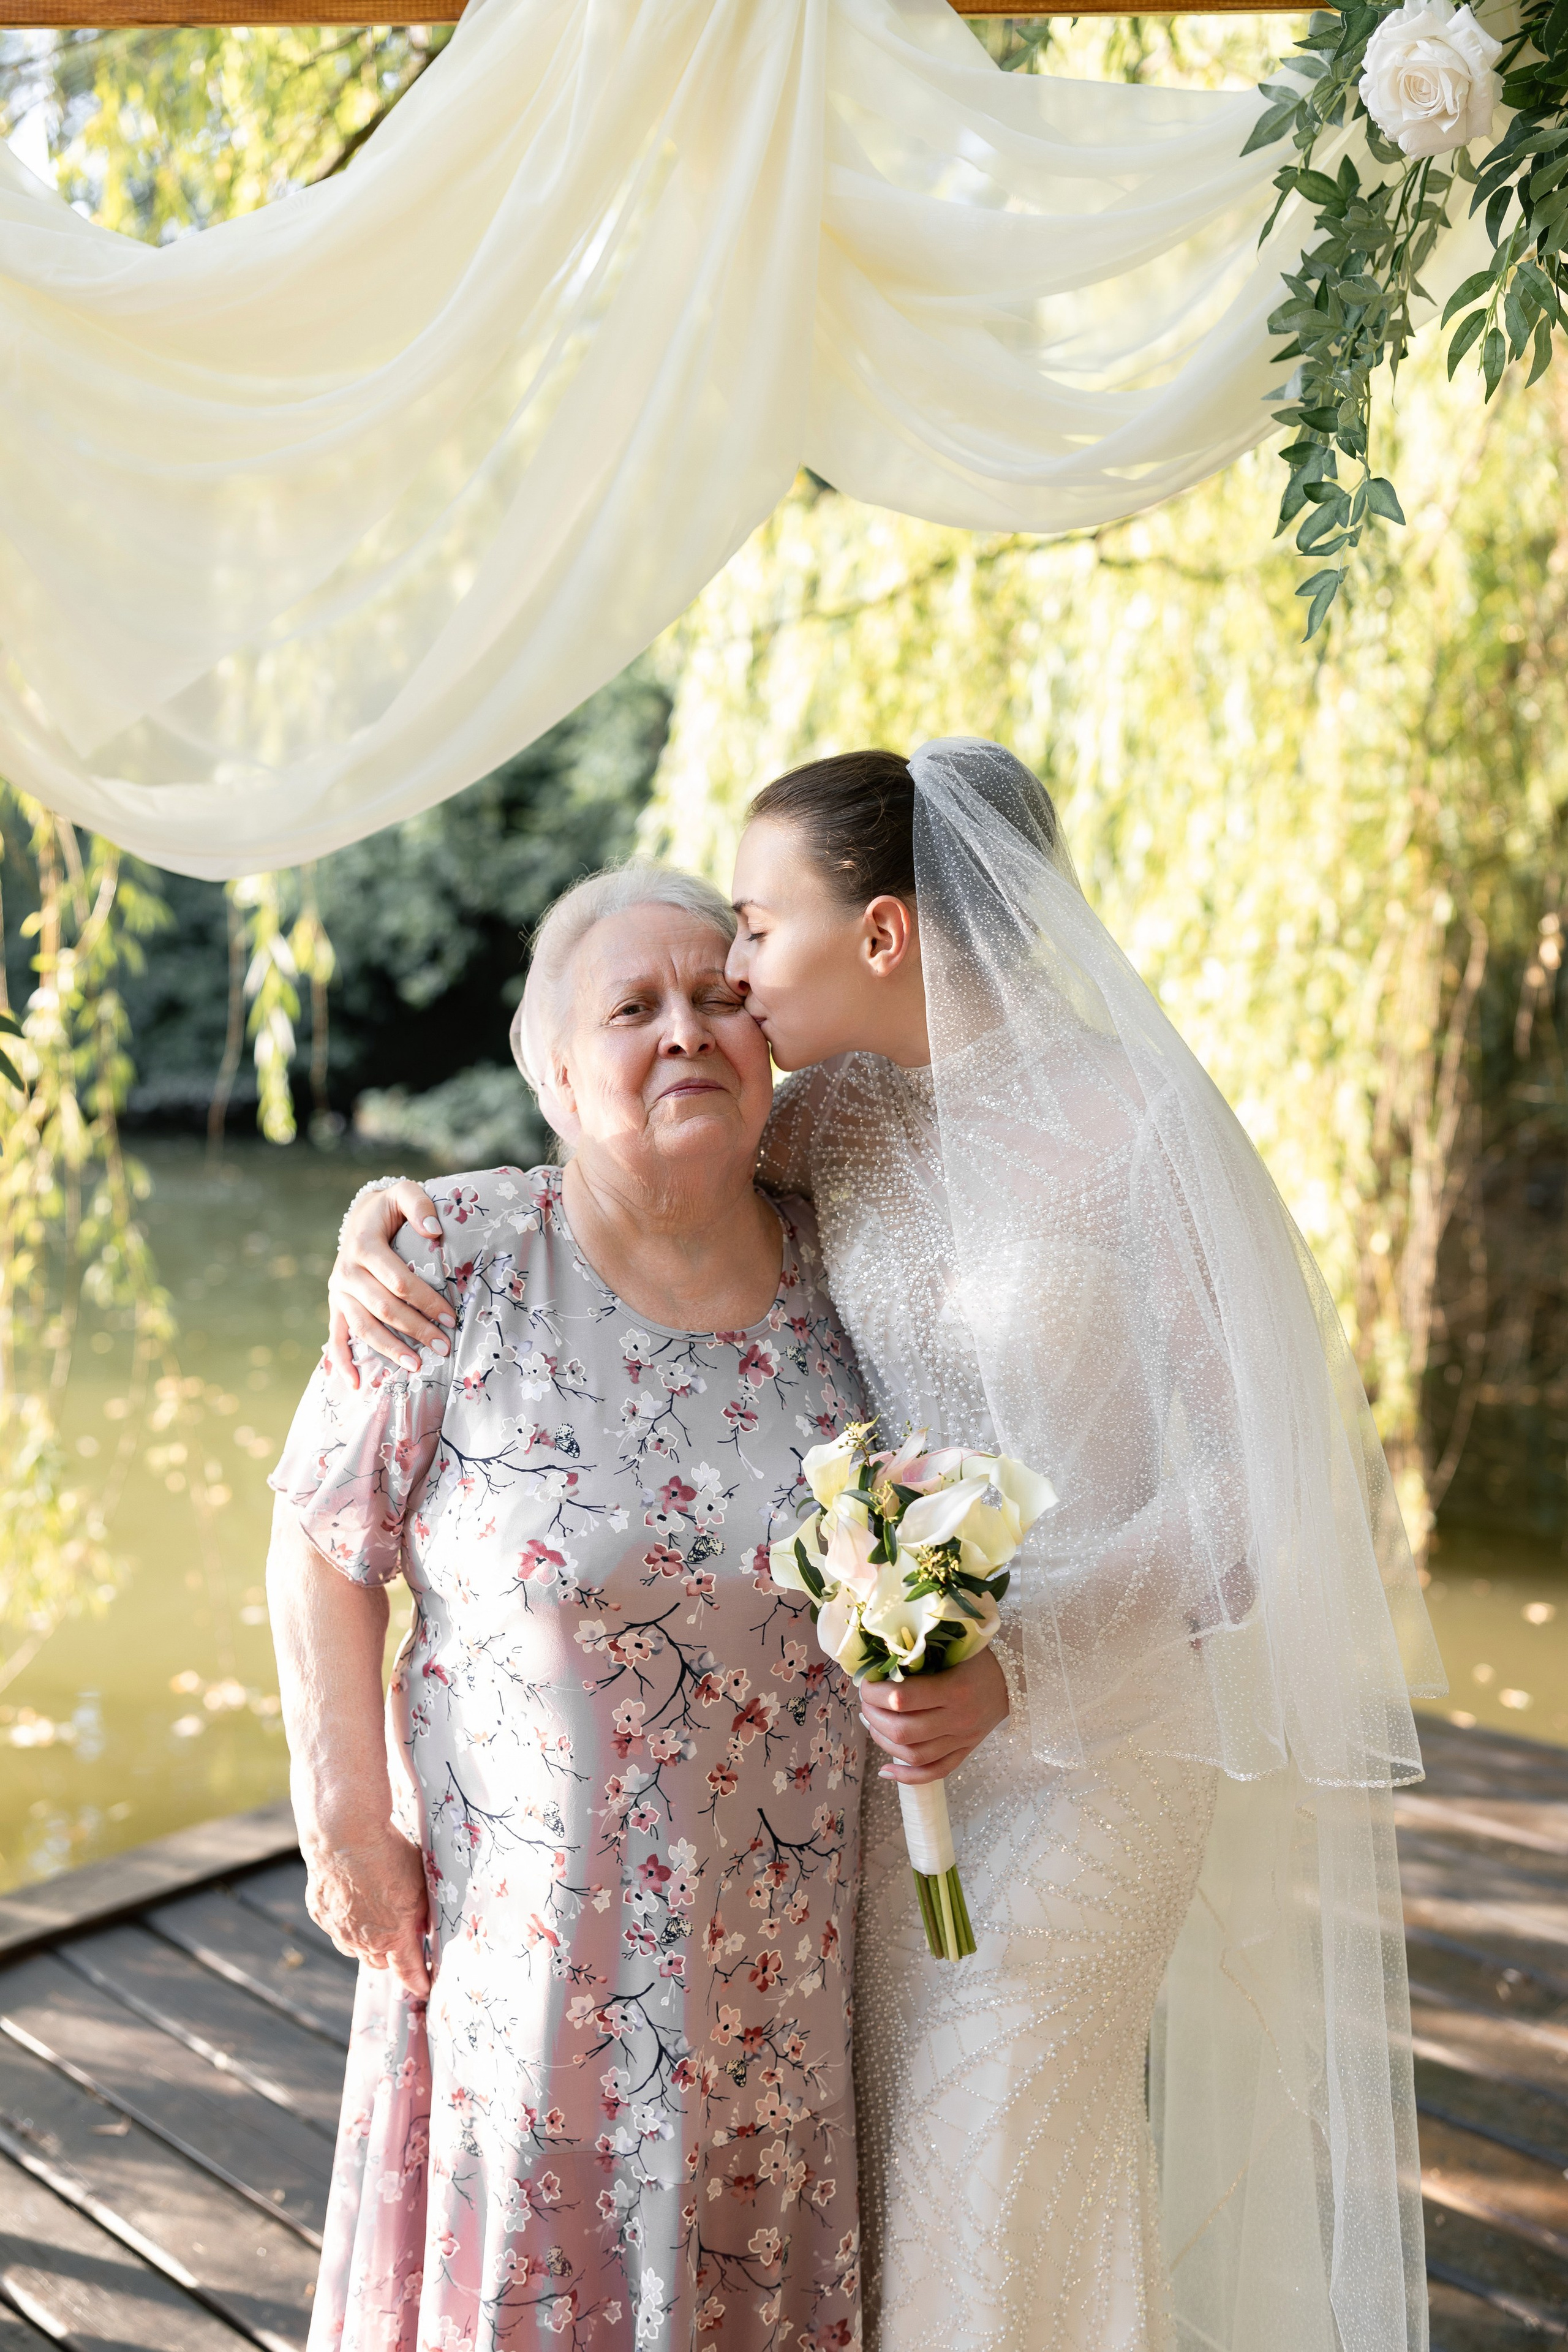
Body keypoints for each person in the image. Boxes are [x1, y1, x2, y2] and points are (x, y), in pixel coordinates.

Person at [330, 742, 1445, 2352]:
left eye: (754, 929)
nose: (732, 977)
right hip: (896, 1758)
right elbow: (627, 1162)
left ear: (878, 935)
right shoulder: (835, 1119)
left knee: (991, 2147)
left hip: (1098, 1750)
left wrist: (1020, 1660)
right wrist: (399, 1217)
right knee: (903, 2175)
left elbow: (1248, 1496)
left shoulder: (1137, 1128)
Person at [270, 865, 865, 2352]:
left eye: (718, 997)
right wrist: (344, 1817)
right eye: (631, 1007)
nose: (684, 1031)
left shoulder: (845, 1268)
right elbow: (323, 1534)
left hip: (779, 1965)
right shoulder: (450, 1259)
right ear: (547, 1071)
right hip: (525, 1965)